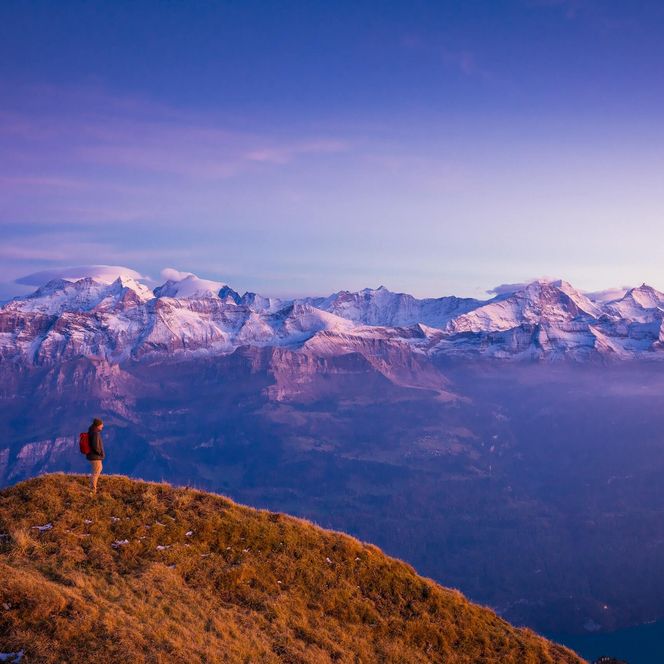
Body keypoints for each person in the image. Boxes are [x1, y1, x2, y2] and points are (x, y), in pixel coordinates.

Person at [86, 418, 105, 494]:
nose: (102, 426)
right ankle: (92, 490)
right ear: (98, 425)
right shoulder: (95, 433)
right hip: (95, 456)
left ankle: (93, 487)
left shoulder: (91, 432)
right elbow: (95, 446)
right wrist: (100, 453)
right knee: (96, 472)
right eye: (101, 425)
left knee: (97, 470)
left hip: (92, 456)